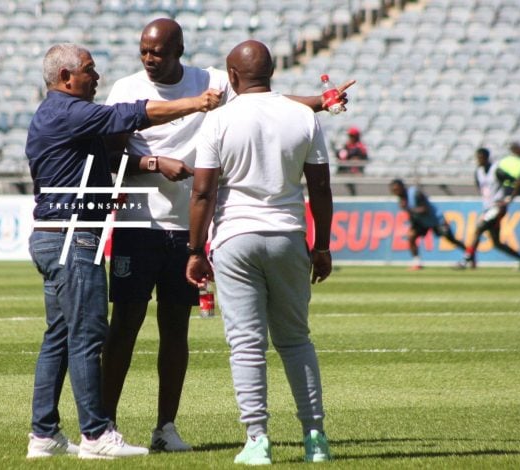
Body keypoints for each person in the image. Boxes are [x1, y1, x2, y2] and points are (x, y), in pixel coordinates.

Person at [101, 17, 353, 453]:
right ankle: (104, 426)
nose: (148, 58)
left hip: (188, 227)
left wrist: (318, 101)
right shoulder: (125, 89)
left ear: (180, 50)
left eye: (157, 52)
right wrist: (154, 164)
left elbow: (264, 100)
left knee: (176, 328)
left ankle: (167, 426)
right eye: (143, 50)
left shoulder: (212, 83)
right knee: (124, 324)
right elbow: (108, 146)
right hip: (138, 220)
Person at [24, 42, 221, 460]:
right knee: (87, 335)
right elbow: (130, 115)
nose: (97, 77)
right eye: (90, 70)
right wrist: (196, 103)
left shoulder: (49, 114)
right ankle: (96, 435)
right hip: (73, 238)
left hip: (50, 233)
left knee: (57, 337)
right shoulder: (72, 112)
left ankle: (44, 434)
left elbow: (95, 162)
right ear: (66, 78)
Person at [186, 40, 333, 465]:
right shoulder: (303, 115)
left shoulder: (218, 120)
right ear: (271, 71)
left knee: (247, 345)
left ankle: (257, 440)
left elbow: (202, 191)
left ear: (232, 76)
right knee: (295, 340)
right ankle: (315, 438)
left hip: (235, 238)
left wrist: (196, 250)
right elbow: (320, 187)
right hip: (288, 234)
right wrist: (321, 245)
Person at [457, 146, 520, 269]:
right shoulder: (478, 172)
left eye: (481, 158)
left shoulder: (496, 171)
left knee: (478, 229)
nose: (479, 160)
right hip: (488, 208)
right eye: (478, 158)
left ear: (487, 158)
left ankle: (466, 259)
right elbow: (481, 188)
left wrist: (509, 198)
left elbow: (518, 181)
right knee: (497, 243)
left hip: (497, 207)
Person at [389, 179, 466, 270]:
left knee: (451, 239)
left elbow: (425, 209)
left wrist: (409, 209)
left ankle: (469, 254)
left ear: (402, 187)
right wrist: (413, 225)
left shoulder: (415, 194)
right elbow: (412, 215)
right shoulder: (402, 200)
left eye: (397, 189)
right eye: (394, 191)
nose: (396, 192)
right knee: (411, 236)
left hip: (436, 220)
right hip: (422, 223)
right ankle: (417, 262)